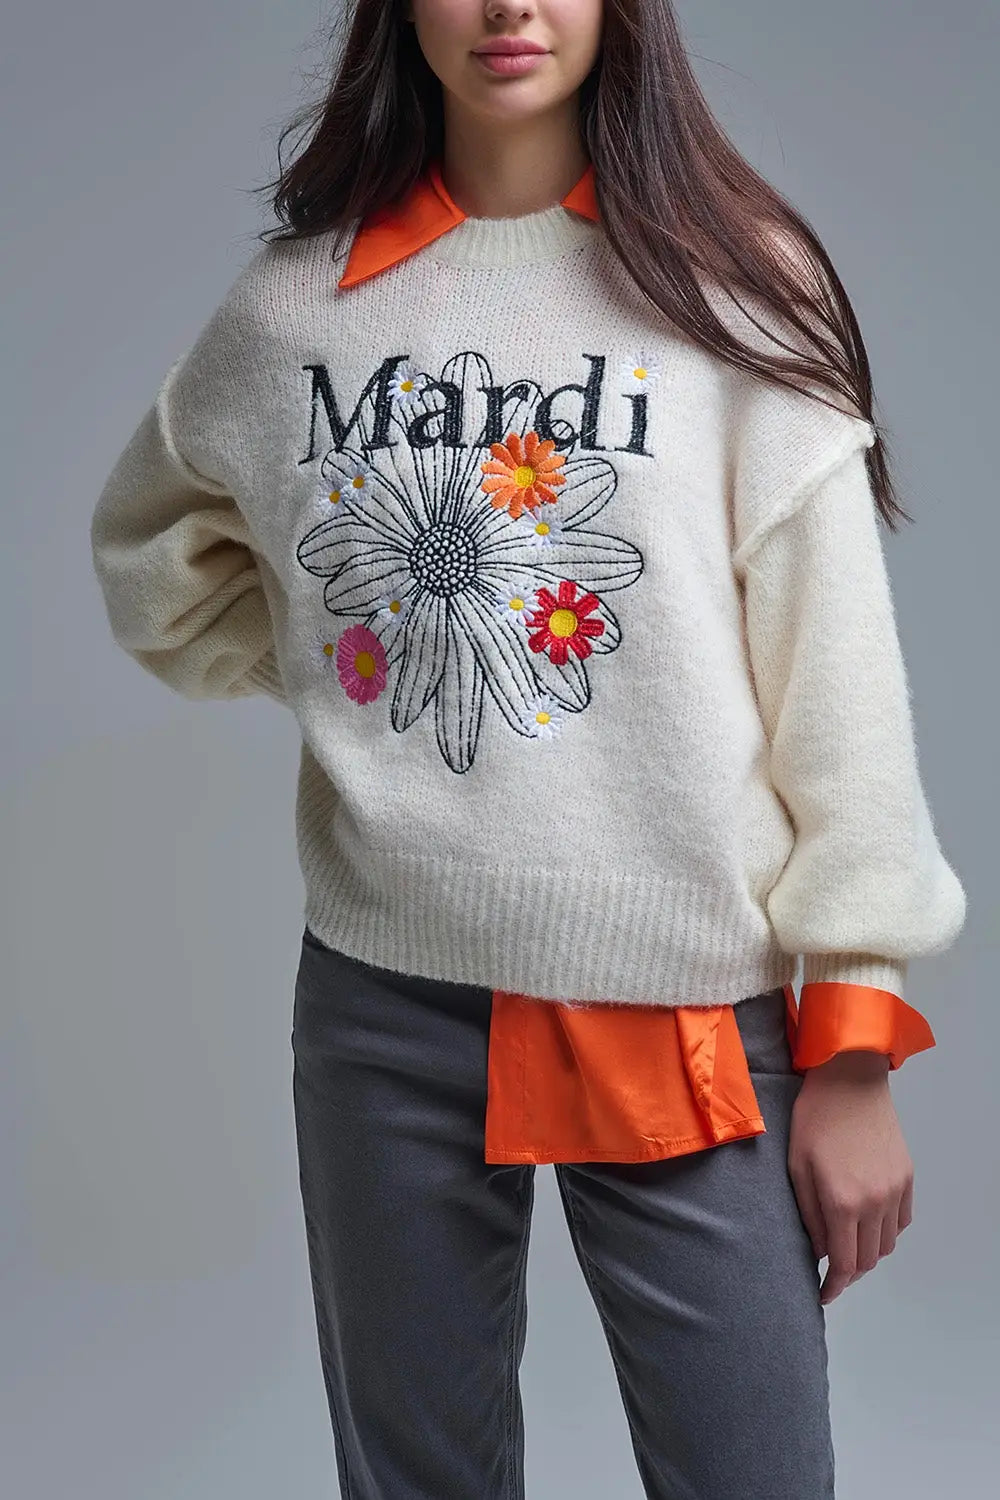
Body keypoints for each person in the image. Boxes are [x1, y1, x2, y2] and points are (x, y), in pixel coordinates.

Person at [89, 2, 967, 1496]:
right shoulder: (301, 311)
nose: (511, 6)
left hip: (681, 1004)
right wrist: (348, 664)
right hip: (386, 1004)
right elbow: (152, 562)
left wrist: (855, 1048)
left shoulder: (736, 290)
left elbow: (841, 696)